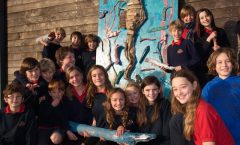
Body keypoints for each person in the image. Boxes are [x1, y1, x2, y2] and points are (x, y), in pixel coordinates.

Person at [170, 69, 234, 145]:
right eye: (175, 89)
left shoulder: (203, 110)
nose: (179, 92)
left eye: (183, 87)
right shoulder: (190, 109)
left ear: (194, 85)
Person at [202, 48, 240, 145]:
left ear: (233, 63)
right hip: (219, 134)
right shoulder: (209, 87)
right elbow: (204, 113)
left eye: (228, 61)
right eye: (219, 62)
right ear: (214, 66)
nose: (224, 65)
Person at [194, 8, 230, 86]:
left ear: (211, 16)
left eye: (207, 16)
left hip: (222, 68)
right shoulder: (197, 35)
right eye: (202, 18)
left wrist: (221, 49)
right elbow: (200, 54)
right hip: (207, 72)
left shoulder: (221, 32)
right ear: (199, 21)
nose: (205, 19)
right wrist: (209, 39)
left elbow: (229, 49)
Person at [136, 76, 171, 145]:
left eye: (154, 89)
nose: (151, 93)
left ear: (159, 90)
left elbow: (166, 131)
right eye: (147, 90)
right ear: (143, 91)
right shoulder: (139, 107)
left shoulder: (165, 104)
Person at [83, 65, 113, 145]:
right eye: (94, 76)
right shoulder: (91, 94)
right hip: (97, 130)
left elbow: (119, 115)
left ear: (105, 76)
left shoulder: (113, 94)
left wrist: (107, 132)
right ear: (91, 78)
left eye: (101, 74)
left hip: (110, 132)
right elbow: (96, 116)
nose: (98, 77)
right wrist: (90, 128)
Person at [64, 66, 93, 145]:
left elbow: (96, 112)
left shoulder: (91, 90)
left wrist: (91, 128)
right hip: (73, 129)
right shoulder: (66, 94)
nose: (75, 79)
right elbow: (63, 115)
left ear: (82, 75)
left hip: (90, 129)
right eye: (71, 77)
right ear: (68, 80)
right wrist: (68, 130)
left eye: (77, 75)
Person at [37, 79, 68, 145]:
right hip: (43, 128)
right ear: (50, 93)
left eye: (59, 92)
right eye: (54, 92)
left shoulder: (65, 102)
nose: (57, 94)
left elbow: (64, 118)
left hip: (57, 128)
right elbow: (43, 117)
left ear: (63, 92)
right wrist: (52, 106)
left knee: (56, 139)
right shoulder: (44, 102)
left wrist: (67, 130)